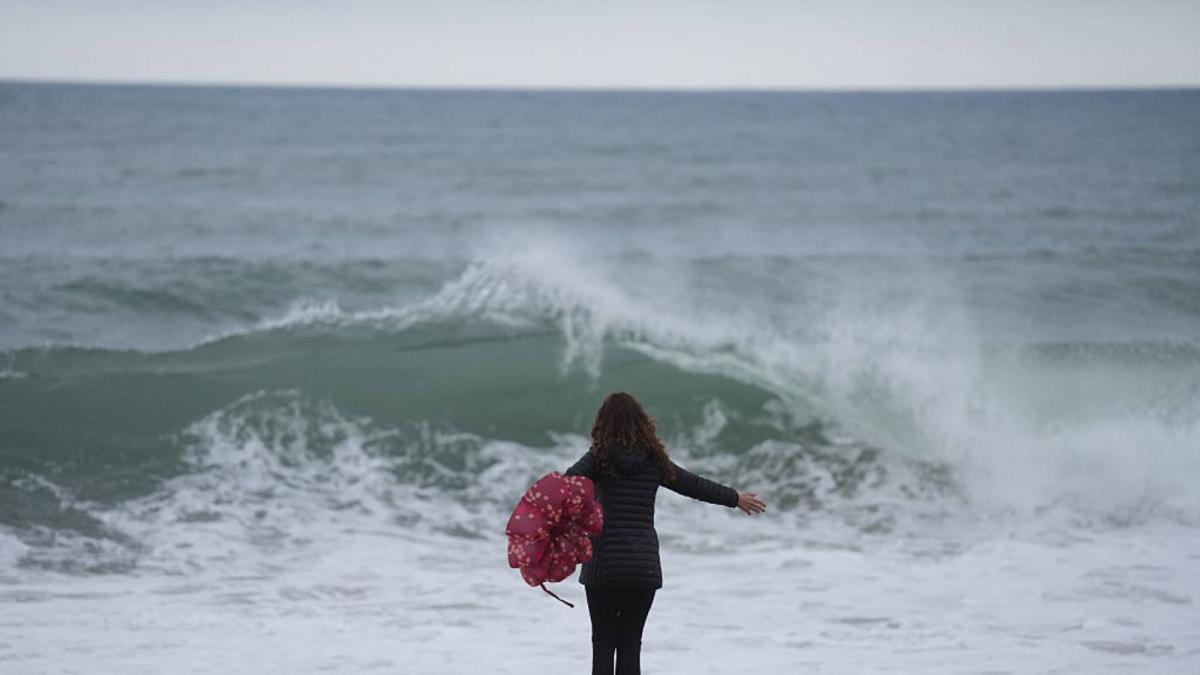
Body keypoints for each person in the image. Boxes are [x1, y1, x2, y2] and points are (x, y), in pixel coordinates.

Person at [564, 391, 767, 675]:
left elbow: (565, 485)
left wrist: (538, 518)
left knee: (603, 642)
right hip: (642, 567)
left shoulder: (599, 457)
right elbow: (694, 485)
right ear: (642, 423)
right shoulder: (654, 461)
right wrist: (735, 498)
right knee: (631, 643)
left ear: (603, 424)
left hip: (604, 567)